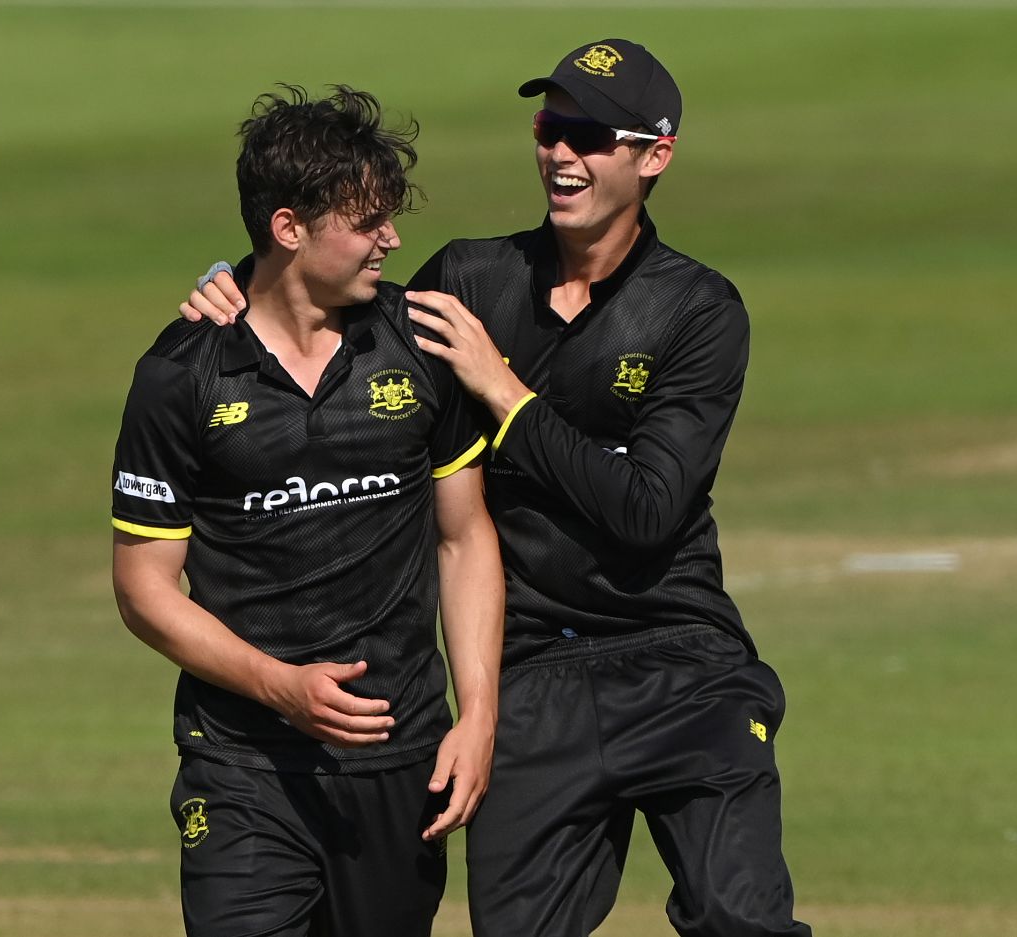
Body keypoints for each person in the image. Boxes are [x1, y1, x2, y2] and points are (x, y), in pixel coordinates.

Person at [181, 41, 810, 937]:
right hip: (529, 679)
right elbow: (319, 300)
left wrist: (504, 390)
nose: (561, 153)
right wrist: (228, 282)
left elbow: (645, 508)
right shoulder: (470, 280)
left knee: (738, 918)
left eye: (590, 134)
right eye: (551, 127)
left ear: (655, 154)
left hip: (681, 660)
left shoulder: (698, 311)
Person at [111, 85, 503, 937]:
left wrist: (478, 715)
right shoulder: (181, 374)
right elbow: (145, 588)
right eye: (367, 223)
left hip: (400, 759)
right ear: (289, 228)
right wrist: (278, 686)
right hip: (243, 764)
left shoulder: (421, 344)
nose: (392, 240)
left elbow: (465, 537)